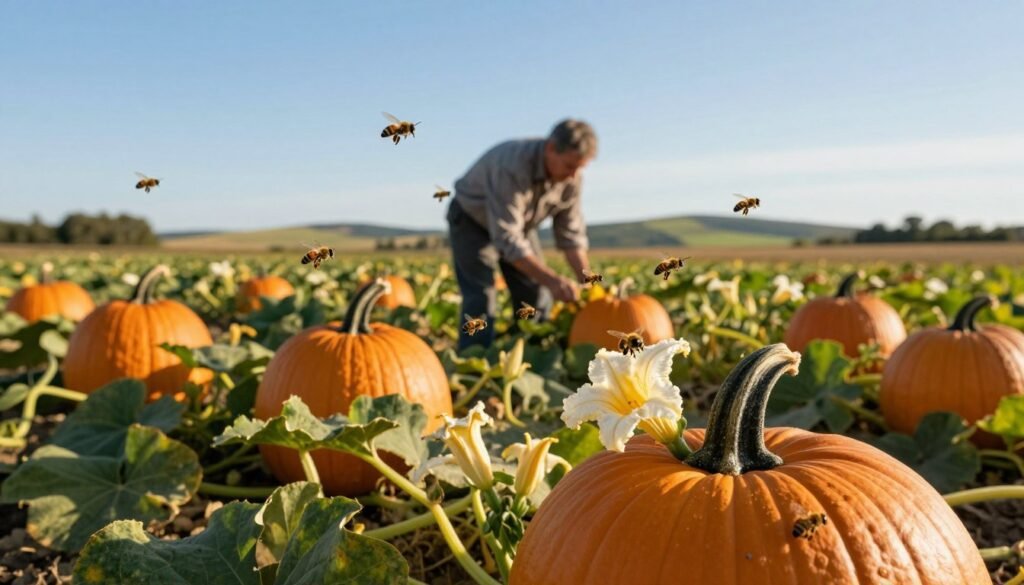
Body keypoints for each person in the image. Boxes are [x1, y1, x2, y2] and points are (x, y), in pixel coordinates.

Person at [446, 119, 596, 350]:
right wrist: (553, 280)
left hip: (519, 227)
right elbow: (507, 237)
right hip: (472, 220)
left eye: (580, 168)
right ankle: (473, 360)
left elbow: (570, 234)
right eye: (568, 166)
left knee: (536, 294)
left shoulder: (571, 178)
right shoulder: (512, 166)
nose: (573, 175)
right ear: (551, 149)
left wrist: (587, 281)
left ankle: (530, 351)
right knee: (481, 296)